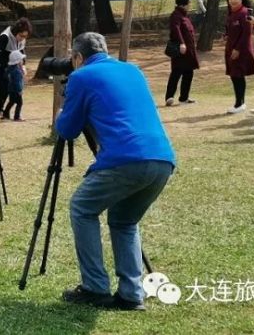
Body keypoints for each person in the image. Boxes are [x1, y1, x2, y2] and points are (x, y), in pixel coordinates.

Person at [55, 32, 176, 311]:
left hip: (126, 160)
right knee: (124, 221)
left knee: (82, 208)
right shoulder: (132, 70)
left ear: (77, 58)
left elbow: (67, 130)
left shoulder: (81, 77)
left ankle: (95, 287)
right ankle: (131, 294)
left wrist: (69, 99)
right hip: (162, 159)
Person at [0, 18, 33, 119]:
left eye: (25, 37)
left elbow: (22, 51)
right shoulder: (5, 37)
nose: (22, 38)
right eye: (21, 36)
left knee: (8, 87)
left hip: (9, 64)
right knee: (1, 86)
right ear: (16, 32)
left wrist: (23, 65)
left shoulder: (22, 39)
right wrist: (10, 62)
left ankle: (2, 111)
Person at [223, 0, 254, 114]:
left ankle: (239, 103)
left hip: (241, 50)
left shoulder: (245, 13)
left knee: (238, 75)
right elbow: (230, 29)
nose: (233, 1)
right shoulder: (231, 13)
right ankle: (239, 102)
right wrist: (226, 35)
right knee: (234, 75)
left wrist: (237, 49)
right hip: (230, 48)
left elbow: (247, 34)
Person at [165, 0, 199, 106]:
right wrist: (181, 43)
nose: (190, 5)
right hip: (181, 49)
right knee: (176, 72)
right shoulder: (176, 15)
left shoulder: (184, 15)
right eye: (189, 2)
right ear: (184, 4)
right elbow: (176, 30)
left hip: (189, 50)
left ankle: (184, 98)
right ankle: (169, 96)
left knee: (188, 72)